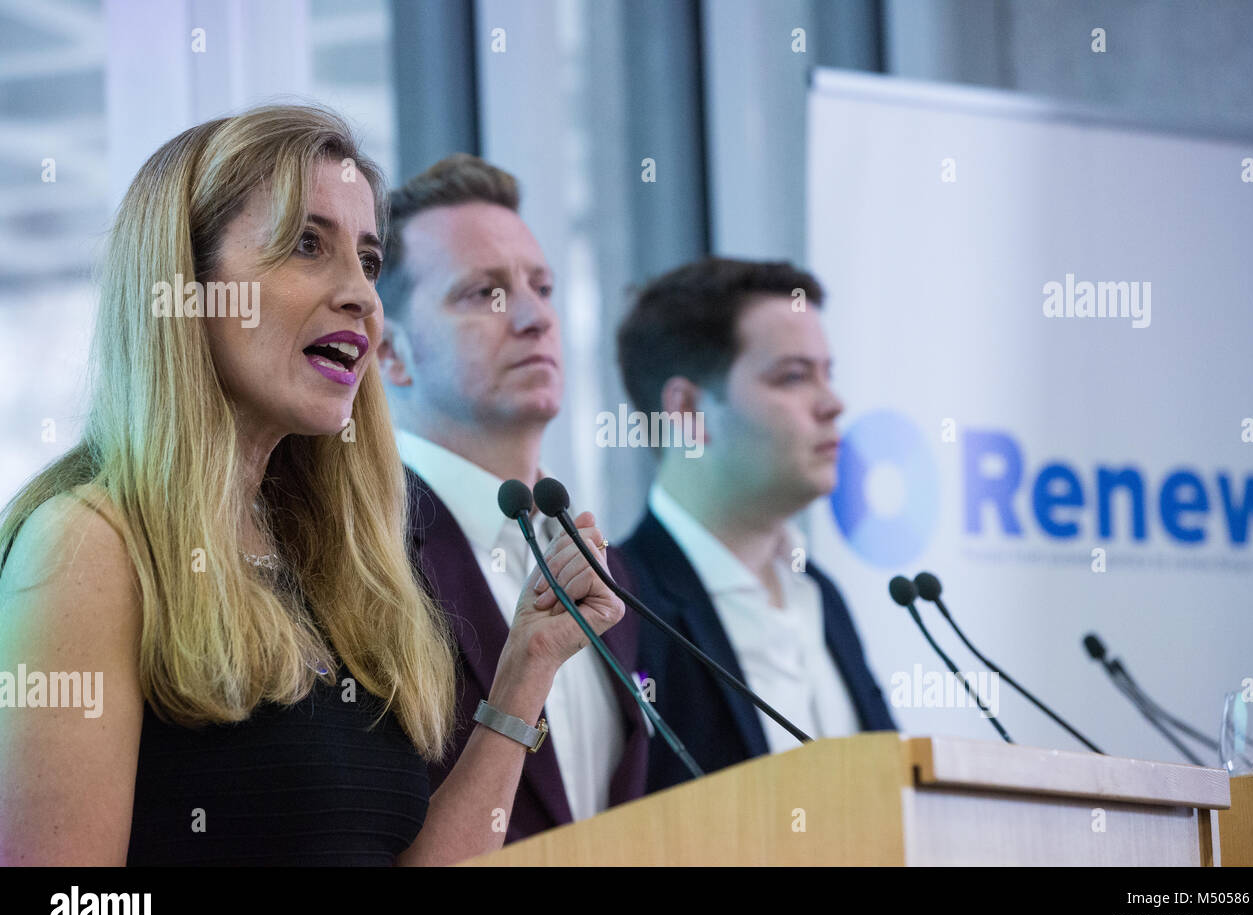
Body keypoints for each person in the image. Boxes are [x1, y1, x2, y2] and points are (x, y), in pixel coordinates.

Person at [0, 105, 622, 866]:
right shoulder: (87, 550)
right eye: (306, 245)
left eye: (367, 258)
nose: (361, 293)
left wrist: (526, 670)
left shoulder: (333, 565)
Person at [375, 155, 646, 842]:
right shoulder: (361, 559)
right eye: (484, 294)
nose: (534, 317)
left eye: (543, 286)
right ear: (390, 354)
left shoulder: (602, 562)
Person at [616, 257, 896, 793]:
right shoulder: (621, 606)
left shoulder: (821, 596)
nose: (833, 404)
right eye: (793, 376)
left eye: (827, 373)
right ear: (687, 408)